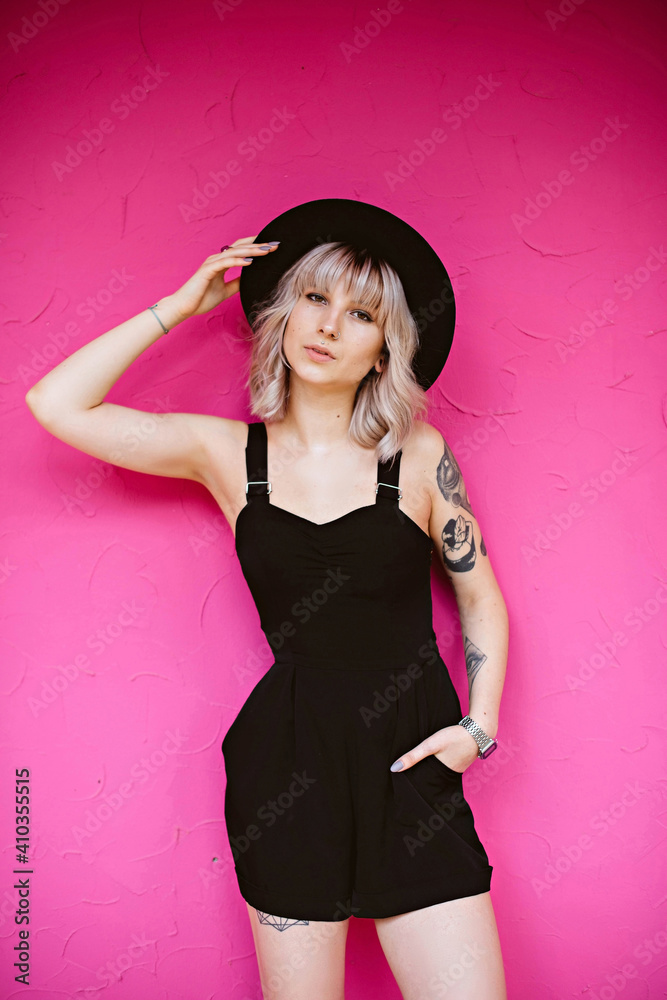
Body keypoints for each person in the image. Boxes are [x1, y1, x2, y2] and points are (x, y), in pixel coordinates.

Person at [25, 199, 508, 1000]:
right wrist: (178, 307)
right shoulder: (225, 453)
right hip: (289, 771)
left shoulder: (417, 456)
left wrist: (477, 729)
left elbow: (479, 597)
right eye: (314, 298)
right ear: (284, 312)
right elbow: (56, 405)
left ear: (385, 348)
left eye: (360, 314)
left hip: (411, 764)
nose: (328, 325)